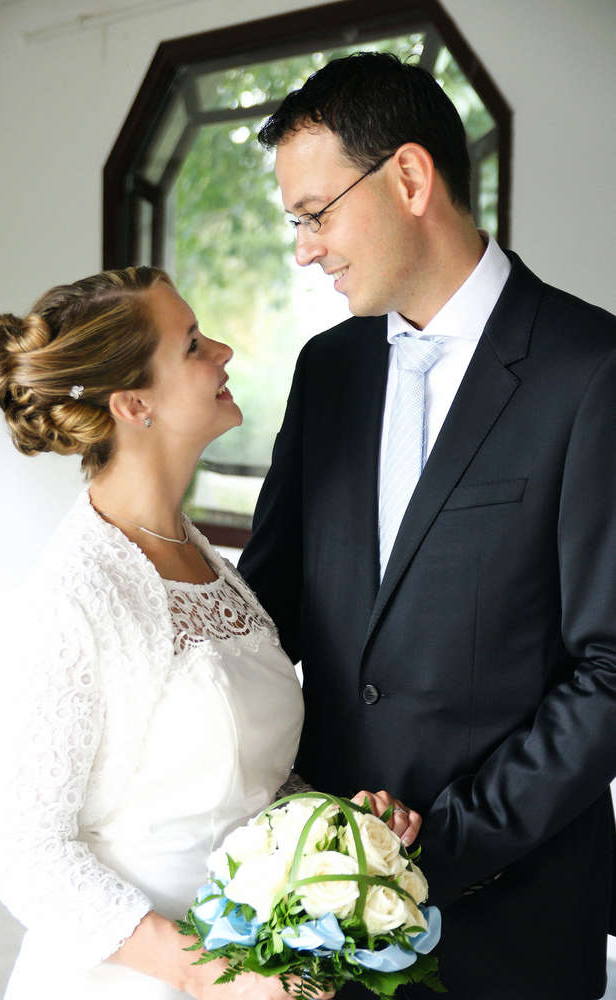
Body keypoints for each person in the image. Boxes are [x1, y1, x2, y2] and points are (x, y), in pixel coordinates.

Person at [238, 52, 616, 1000]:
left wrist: (432, 847)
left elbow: (610, 664)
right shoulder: (326, 371)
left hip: (513, 913)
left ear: (408, 177)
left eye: (316, 213)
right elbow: (265, 605)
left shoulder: (592, 368)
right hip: (316, 907)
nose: (306, 247)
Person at [0, 267, 352, 999]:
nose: (224, 352)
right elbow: (18, 850)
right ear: (133, 403)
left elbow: (230, 781)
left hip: (251, 957)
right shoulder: (74, 596)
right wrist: (209, 974)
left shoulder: (196, 554)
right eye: (192, 345)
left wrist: (335, 832)